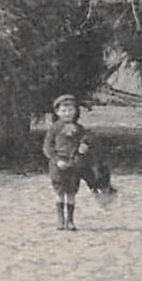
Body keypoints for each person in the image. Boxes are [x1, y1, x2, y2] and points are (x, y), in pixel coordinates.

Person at [43, 94, 115, 230]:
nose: (67, 113)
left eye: (70, 110)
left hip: (74, 166)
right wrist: (57, 160)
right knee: (60, 193)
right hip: (58, 166)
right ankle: (60, 220)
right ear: (57, 112)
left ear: (75, 111)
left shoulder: (80, 129)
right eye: (63, 110)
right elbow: (47, 148)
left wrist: (85, 147)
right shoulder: (54, 129)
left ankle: (70, 221)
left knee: (71, 193)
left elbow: (86, 142)